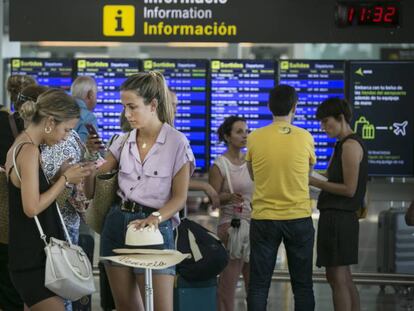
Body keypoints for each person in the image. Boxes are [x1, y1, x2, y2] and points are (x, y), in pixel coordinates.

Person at [86, 71, 195, 311]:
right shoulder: (123, 140)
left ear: (153, 105)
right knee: (126, 307)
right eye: (124, 107)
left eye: (132, 107)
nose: (127, 114)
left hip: (154, 229)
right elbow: (94, 184)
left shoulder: (177, 143)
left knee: (160, 308)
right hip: (116, 224)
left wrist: (154, 218)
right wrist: (89, 160)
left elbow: (179, 198)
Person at [4, 89, 92, 310]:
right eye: (66, 130)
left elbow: (28, 191)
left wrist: (56, 177)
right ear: (50, 122)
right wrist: (64, 179)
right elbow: (31, 208)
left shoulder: (21, 146)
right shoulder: (29, 151)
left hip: (30, 255)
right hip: (33, 258)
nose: (65, 137)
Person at [246, 85, 316, 311]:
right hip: (299, 217)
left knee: (258, 285)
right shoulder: (305, 137)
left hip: (264, 218)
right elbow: (307, 175)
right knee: (303, 286)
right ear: (295, 107)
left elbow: (253, 175)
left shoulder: (255, 137)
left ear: (269, 107)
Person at [310, 98, 368, 311]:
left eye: (326, 122)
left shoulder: (350, 146)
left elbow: (349, 189)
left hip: (339, 219)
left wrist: (313, 181)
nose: (324, 127)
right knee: (343, 276)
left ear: (341, 118)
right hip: (338, 217)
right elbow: (334, 179)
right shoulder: (343, 144)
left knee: (337, 278)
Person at [0, 79, 41, 311]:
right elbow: (32, 207)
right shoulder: (35, 143)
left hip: (5, 218)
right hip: (32, 223)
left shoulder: (5, 124)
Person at [209, 116, 253, 311]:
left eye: (246, 131)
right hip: (231, 227)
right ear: (227, 136)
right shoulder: (220, 165)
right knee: (228, 285)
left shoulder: (252, 161)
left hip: (254, 226)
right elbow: (213, 199)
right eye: (239, 132)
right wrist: (227, 198)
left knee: (255, 286)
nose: (245, 135)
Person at [169, 89, 220, 209]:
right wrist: (204, 186)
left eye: (176, 105)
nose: (176, 110)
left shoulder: (176, 138)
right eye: (172, 105)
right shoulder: (150, 137)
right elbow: (165, 182)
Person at [70, 76, 98, 142]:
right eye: (96, 94)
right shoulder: (89, 118)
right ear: (90, 95)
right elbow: (89, 149)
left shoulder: (60, 111)